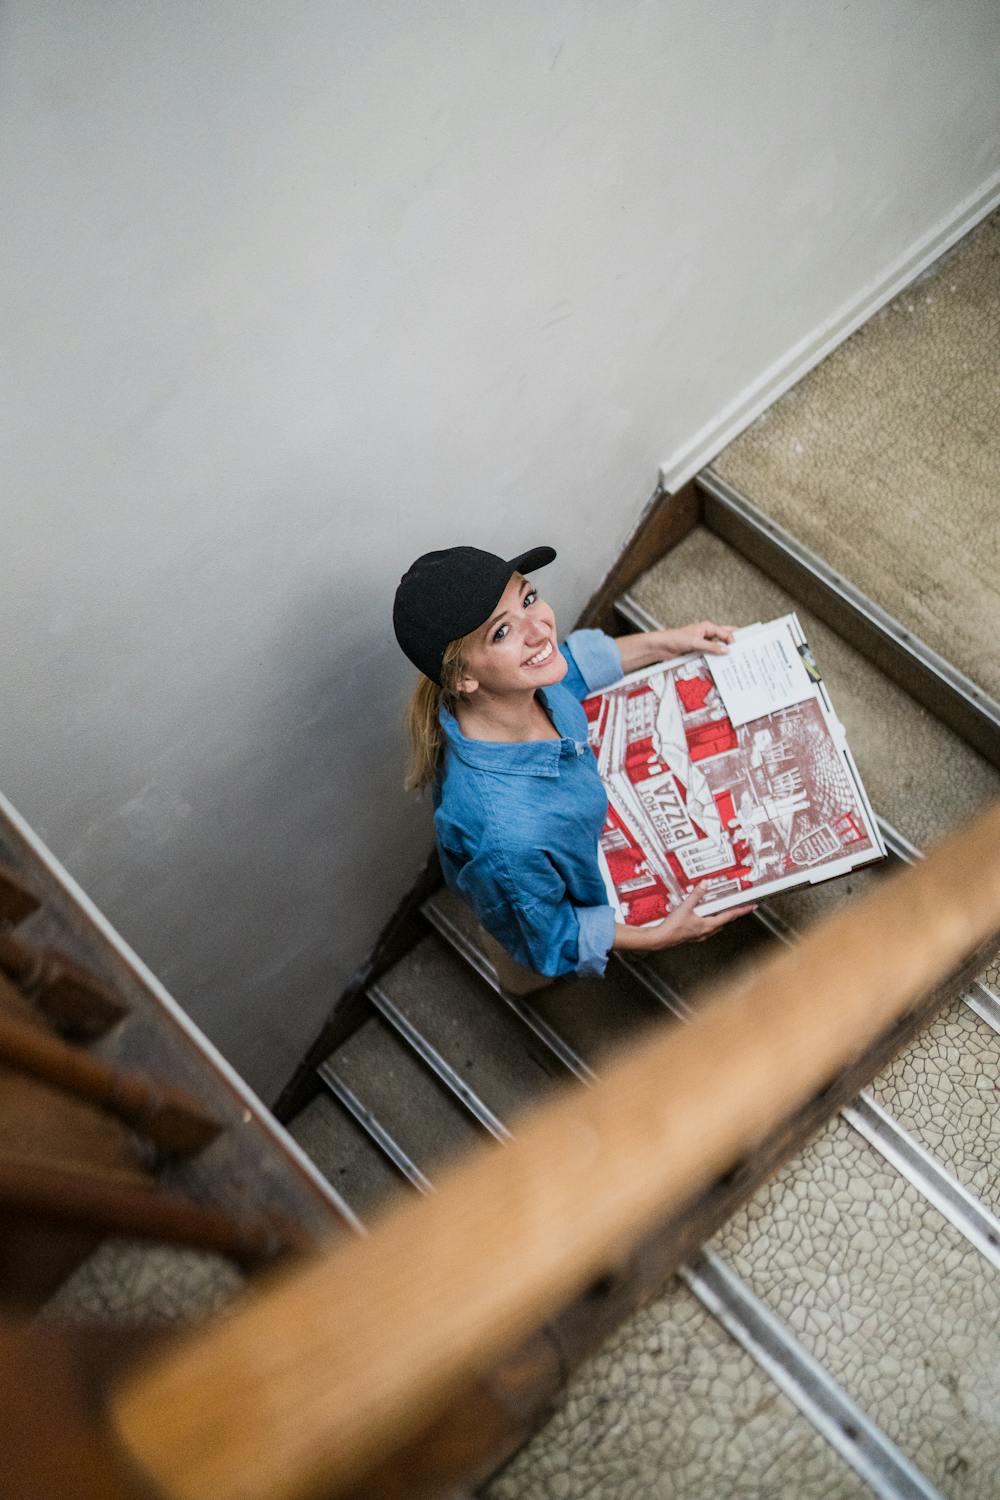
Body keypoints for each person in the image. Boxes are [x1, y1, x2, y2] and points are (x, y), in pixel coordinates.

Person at [393, 543, 755, 982]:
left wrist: (666, 641)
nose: (539, 630)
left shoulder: (511, 689)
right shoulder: (509, 837)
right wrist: (657, 937)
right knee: (523, 974)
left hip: (561, 855)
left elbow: (574, 669)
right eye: (501, 633)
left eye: (528, 599)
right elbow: (549, 936)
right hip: (523, 909)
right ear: (462, 677)